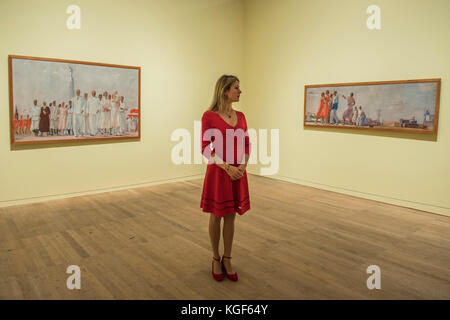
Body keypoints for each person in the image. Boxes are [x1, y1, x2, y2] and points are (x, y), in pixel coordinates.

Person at [200, 75, 251, 282]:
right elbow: (204, 149)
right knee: (216, 215)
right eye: (236, 88)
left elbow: (247, 144)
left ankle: (227, 258)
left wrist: (242, 167)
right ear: (224, 90)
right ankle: (215, 258)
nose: (240, 91)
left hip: (238, 172)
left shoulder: (242, 115)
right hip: (219, 173)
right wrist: (227, 167)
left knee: (231, 216)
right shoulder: (209, 116)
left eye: (239, 87)